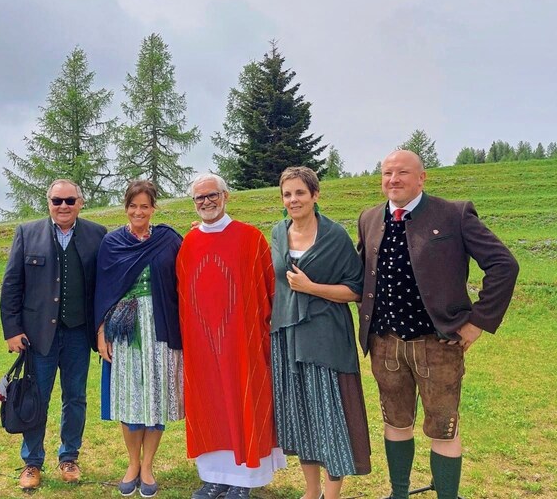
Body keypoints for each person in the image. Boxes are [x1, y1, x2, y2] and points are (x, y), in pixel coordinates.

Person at [357, 150, 519, 499]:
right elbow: (359, 277)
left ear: (421, 178)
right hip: (386, 342)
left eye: (402, 172)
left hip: (438, 344)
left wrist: (478, 322)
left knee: (443, 428)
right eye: (387, 173)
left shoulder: (453, 214)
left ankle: (447, 495)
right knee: (395, 422)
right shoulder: (369, 218)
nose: (393, 179)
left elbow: (504, 265)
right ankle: (398, 493)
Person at [176, 173, 285, 499]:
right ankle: (214, 478)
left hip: (243, 342)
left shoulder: (250, 238)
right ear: (194, 204)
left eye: (212, 195)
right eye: (200, 198)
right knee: (210, 407)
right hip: (203, 346)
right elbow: (183, 293)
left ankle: (245, 480)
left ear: (226, 197)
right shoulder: (189, 243)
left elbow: (269, 287)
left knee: (243, 402)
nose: (206, 202)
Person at [270, 167, 371, 499]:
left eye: (300, 193)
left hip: (326, 337)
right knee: (302, 417)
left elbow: (356, 290)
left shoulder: (334, 236)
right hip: (288, 336)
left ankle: (331, 494)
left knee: (329, 416)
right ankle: (310, 491)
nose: (293, 200)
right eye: (287, 194)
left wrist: (312, 287)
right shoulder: (277, 232)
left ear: (315, 195)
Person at [0, 179, 107, 490]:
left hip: (78, 333)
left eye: (69, 201)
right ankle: (32, 462)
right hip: (37, 336)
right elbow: (12, 286)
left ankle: (69, 457)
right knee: (37, 398)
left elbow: (105, 284)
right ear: (48, 203)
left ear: (80, 203)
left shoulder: (97, 234)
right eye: (57, 201)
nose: (63, 206)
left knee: (75, 398)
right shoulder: (27, 233)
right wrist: (12, 330)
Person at [95, 179, 184, 498]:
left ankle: (148, 465)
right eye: (133, 206)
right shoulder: (112, 242)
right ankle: (132, 463)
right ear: (126, 208)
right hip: (124, 329)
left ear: (153, 208)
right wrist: (101, 330)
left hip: (161, 326)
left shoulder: (169, 240)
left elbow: (184, 280)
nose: (138, 211)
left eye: (144, 206)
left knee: (155, 399)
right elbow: (102, 289)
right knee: (130, 398)